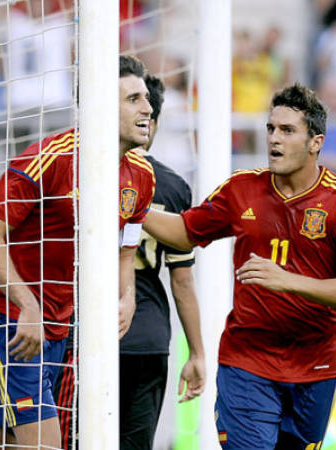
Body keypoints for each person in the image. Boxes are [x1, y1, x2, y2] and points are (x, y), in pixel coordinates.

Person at [143, 82, 336, 449]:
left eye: (288, 130)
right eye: (271, 129)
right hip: (248, 362)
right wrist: (134, 211)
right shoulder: (241, 189)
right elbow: (184, 232)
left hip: (316, 366)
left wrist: (288, 281)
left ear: (316, 142)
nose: (274, 139)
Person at [0, 55, 156, 449]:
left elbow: (126, 247)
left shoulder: (142, 176)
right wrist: (27, 305)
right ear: (102, 103)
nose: (148, 108)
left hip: (56, 328)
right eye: (133, 98)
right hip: (4, 321)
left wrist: (128, 296)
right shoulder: (47, 159)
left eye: (146, 98)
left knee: (0, 442)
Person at [119, 75, 206, 450]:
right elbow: (182, 282)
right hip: (147, 333)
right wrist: (198, 352)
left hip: (82, 326)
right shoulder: (170, 185)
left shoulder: (76, 168)